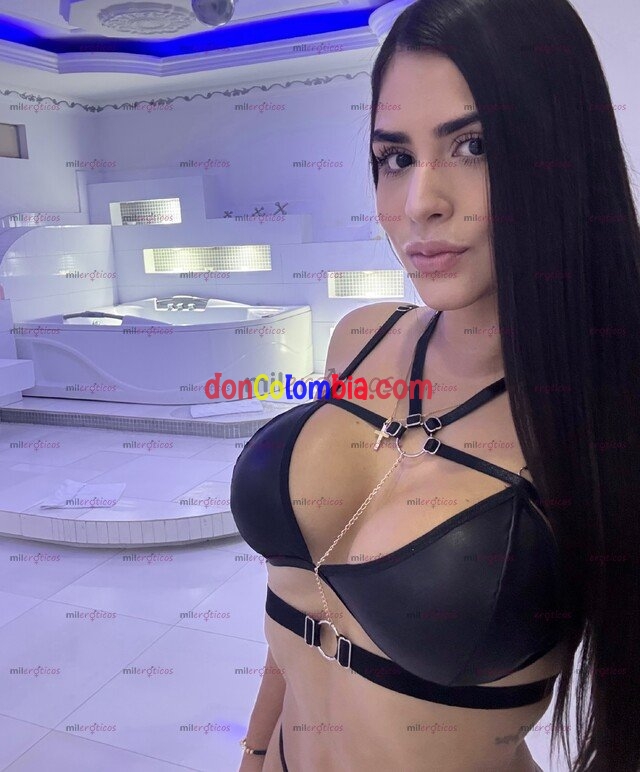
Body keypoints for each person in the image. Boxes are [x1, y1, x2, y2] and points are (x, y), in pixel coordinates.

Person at [230, 0, 640, 769]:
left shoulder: (607, 415)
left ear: (562, 156)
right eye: (395, 157)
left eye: (474, 145)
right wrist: (253, 750)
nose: (420, 203)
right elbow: (297, 611)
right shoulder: (361, 339)